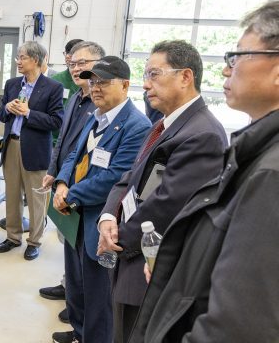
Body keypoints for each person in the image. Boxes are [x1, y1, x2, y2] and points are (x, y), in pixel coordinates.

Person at [129, 0, 279, 343]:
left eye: (238, 56)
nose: (227, 70)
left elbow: (240, 325)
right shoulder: (255, 152)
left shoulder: (271, 174)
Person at [97, 40, 228, 343]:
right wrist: (107, 217)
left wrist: (117, 238)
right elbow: (131, 177)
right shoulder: (168, 124)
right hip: (128, 251)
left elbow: (167, 204)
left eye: (154, 74)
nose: (145, 84)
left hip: (147, 263)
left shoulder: (203, 134)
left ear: (185, 77)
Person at [51, 56, 151, 343]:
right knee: (77, 285)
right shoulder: (95, 116)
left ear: (125, 85)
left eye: (103, 82)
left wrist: (71, 194)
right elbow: (74, 154)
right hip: (75, 217)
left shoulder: (136, 125)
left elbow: (116, 177)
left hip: (100, 219)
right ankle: (80, 332)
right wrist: (60, 182)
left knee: (98, 296)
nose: (95, 88)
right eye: (92, 81)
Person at [37, 41, 103, 316]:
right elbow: (63, 140)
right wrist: (54, 172)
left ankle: (80, 304)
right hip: (65, 181)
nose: (76, 69)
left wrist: (69, 184)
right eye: (73, 64)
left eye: (83, 64)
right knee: (68, 244)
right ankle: (71, 292)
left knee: (83, 252)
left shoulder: (100, 105)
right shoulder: (76, 97)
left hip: (82, 188)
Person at [0, 41, 64, 261]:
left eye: (22, 57)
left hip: (35, 149)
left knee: (37, 199)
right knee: (12, 195)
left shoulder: (53, 88)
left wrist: (28, 113)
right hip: (12, 145)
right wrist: (6, 108)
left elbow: (56, 121)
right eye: (17, 57)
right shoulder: (12, 84)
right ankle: (13, 236)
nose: (18, 61)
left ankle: (34, 241)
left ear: (35, 60)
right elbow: (1, 115)